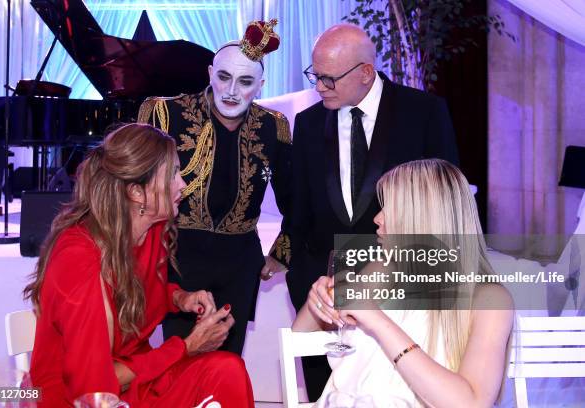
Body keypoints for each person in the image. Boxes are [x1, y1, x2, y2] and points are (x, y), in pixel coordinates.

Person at [23, 123, 254, 407]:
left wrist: (180, 298)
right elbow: (93, 386)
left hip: (136, 382)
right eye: (172, 174)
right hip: (80, 397)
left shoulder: (150, 229)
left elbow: (137, 289)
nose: (183, 183)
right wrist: (186, 346)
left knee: (227, 370)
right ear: (136, 193)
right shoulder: (78, 258)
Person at [289, 23, 460, 399]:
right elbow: (297, 211)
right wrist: (301, 279)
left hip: (405, 290)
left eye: (328, 79)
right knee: (332, 394)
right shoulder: (307, 123)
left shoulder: (424, 112)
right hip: (322, 290)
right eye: (314, 76)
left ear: (366, 72)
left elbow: (447, 200)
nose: (319, 87)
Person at [293, 159, 514, 407]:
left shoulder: (489, 299)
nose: (377, 218)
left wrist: (376, 320)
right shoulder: (384, 268)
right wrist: (318, 302)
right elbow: (300, 336)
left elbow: (471, 403)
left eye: (391, 207)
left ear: (425, 216)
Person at [138, 19, 291, 355]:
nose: (232, 90)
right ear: (210, 73)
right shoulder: (166, 114)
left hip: (239, 264)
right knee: (177, 361)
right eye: (224, 77)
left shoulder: (272, 126)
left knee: (227, 361)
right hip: (177, 259)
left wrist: (282, 250)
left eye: (245, 81)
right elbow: (135, 184)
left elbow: (293, 196)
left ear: (260, 85)